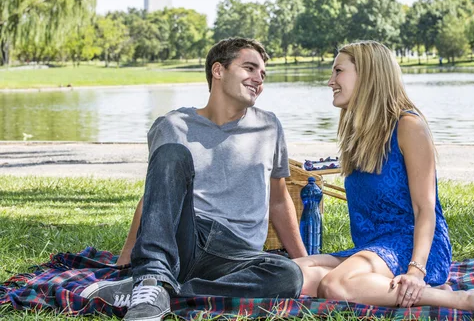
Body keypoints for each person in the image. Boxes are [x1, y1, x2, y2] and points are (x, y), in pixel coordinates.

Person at [81, 38, 307, 321]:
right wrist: (124, 261)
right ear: (218, 70)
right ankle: (151, 277)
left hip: (236, 255)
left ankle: (156, 289)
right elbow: (158, 198)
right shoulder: (173, 124)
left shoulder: (269, 125)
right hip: (185, 236)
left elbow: (278, 199)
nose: (258, 79)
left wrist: (301, 260)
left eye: (262, 74)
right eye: (249, 68)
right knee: (172, 154)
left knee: (288, 276)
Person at [294, 41, 474, 310]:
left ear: (368, 74)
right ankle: (375, 285)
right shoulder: (358, 133)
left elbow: (425, 209)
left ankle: (456, 298)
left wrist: (416, 272)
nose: (330, 81)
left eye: (338, 71)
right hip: (375, 249)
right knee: (295, 271)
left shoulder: (409, 125)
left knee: (334, 286)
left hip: (415, 247)